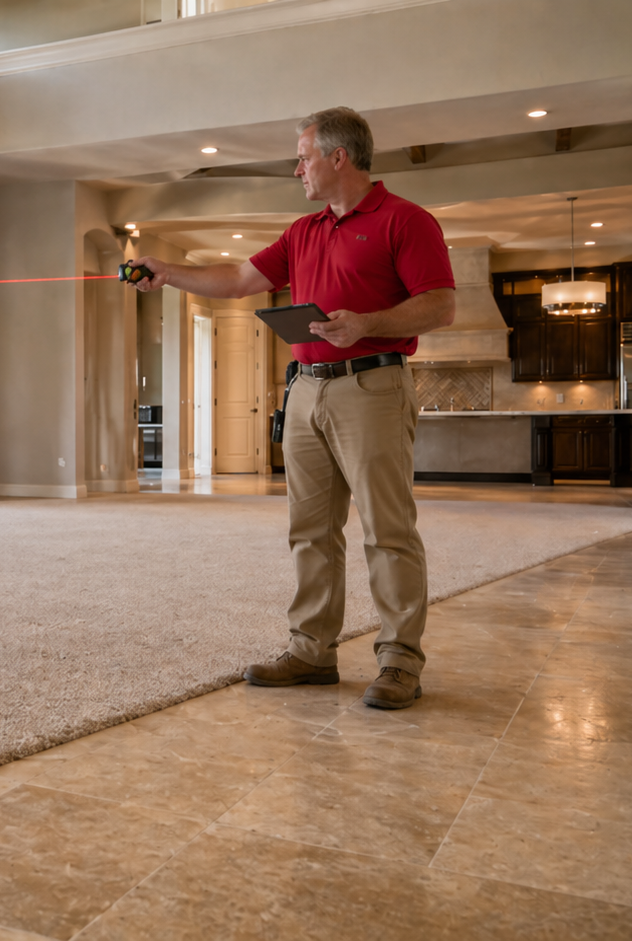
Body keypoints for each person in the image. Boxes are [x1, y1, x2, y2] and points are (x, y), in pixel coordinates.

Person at [128, 106, 455, 709]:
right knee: (309, 530)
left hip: (372, 386)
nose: (296, 167)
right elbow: (236, 278)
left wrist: (368, 324)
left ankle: (400, 661)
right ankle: (311, 652)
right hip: (305, 388)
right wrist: (167, 272)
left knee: (387, 529)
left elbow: (439, 306)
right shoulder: (302, 232)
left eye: (303, 156)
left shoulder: (405, 221)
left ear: (339, 157)